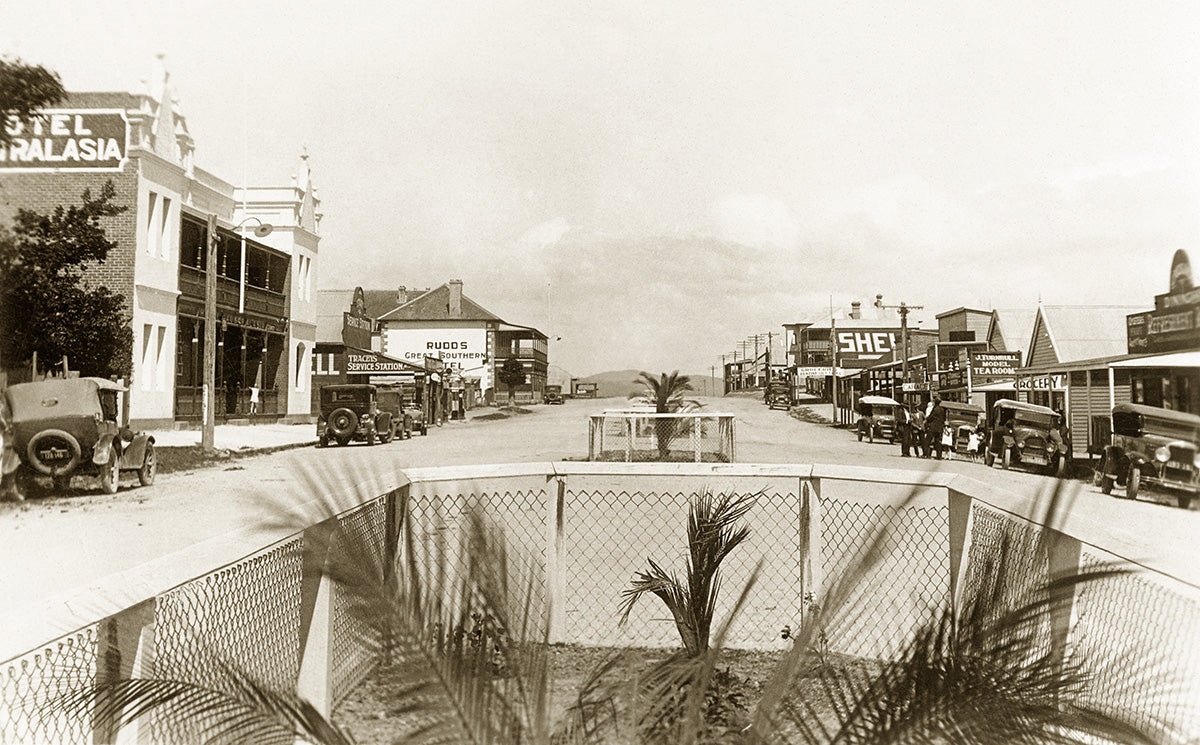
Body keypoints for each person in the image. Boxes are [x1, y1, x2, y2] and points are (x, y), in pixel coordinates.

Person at [925, 395, 947, 460]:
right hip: (939, 428)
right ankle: (939, 456)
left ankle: (926, 454)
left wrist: (927, 419)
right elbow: (944, 419)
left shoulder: (935, 409)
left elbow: (930, 417)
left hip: (933, 427)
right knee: (938, 442)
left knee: (928, 441)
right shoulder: (942, 409)